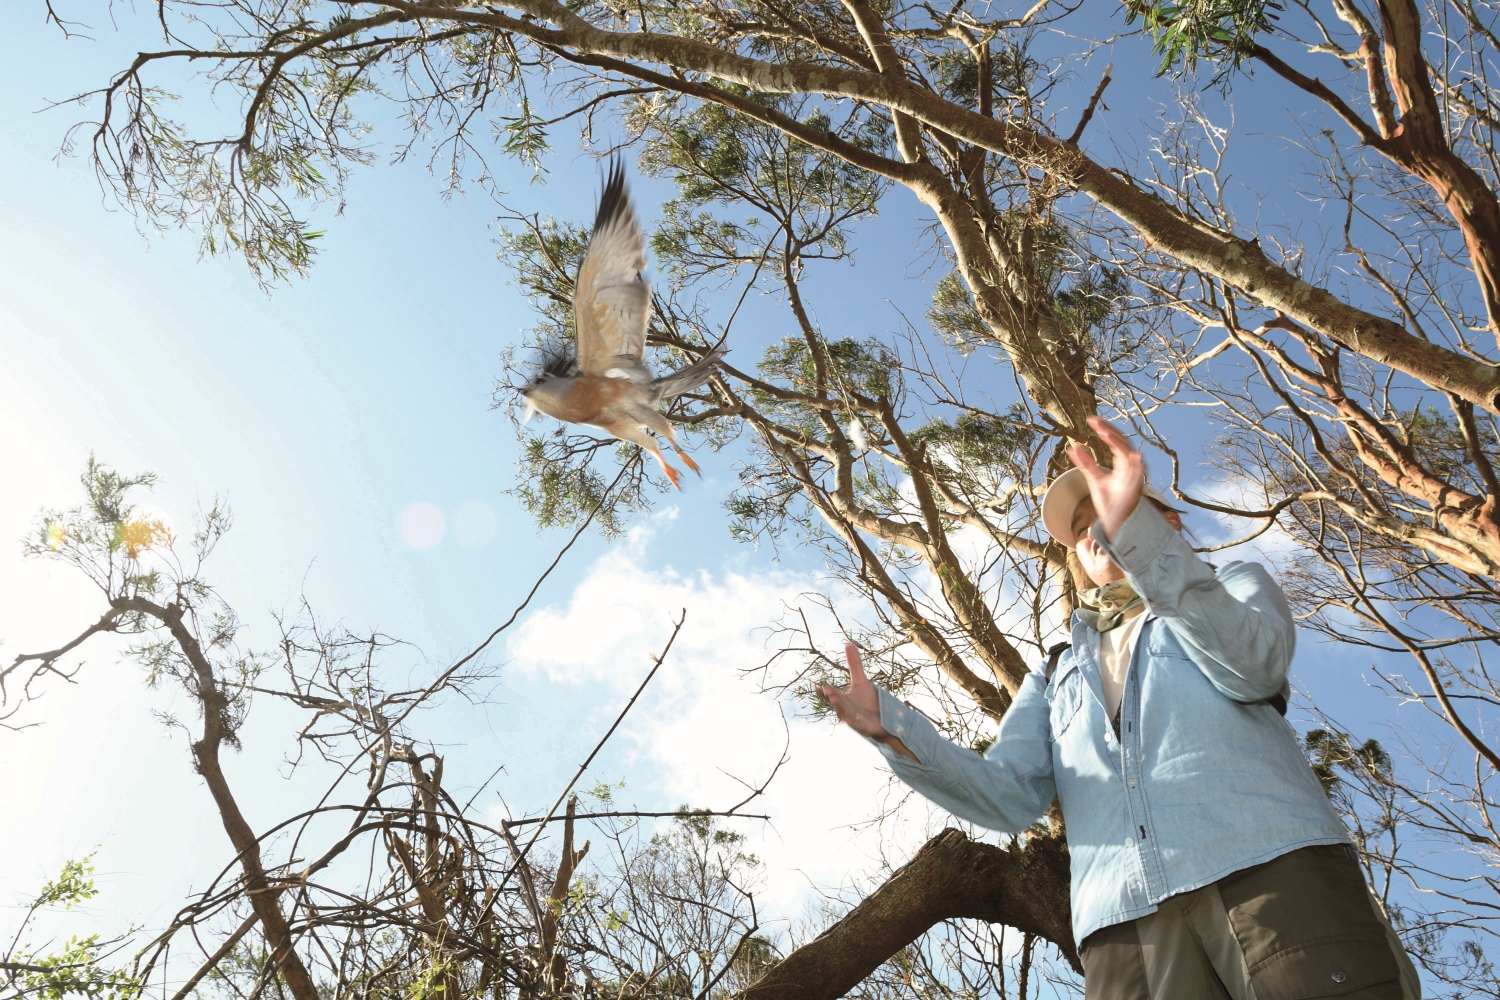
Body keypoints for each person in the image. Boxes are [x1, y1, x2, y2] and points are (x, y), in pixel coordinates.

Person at [818, 416, 1422, 1000]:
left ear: (1168, 522)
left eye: (1109, 514)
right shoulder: (1054, 672)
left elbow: (1253, 666)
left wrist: (1143, 544)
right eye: (1081, 528)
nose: (1093, 532)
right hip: (1122, 926)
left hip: (1267, 866)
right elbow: (1007, 797)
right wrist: (893, 730)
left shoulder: (1231, 583)